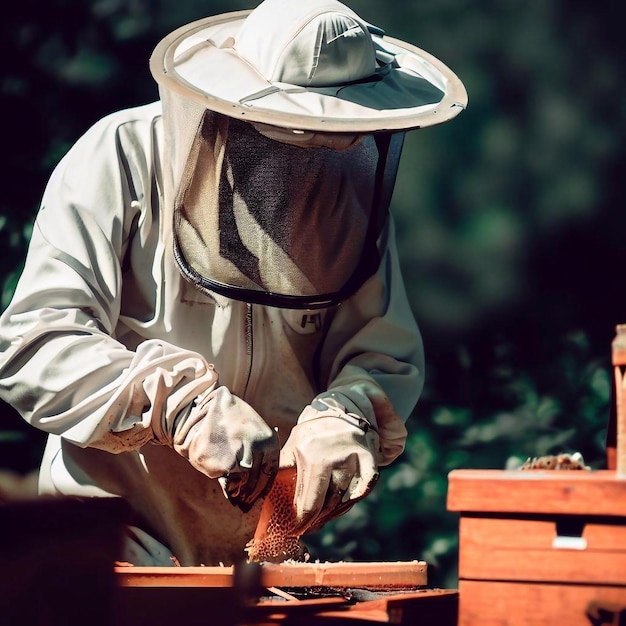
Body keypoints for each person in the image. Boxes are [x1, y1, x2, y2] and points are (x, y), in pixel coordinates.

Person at [0, 0, 466, 565]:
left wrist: (349, 413)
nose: (312, 167)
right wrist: (182, 407)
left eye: (337, 145)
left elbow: (382, 350)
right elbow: (35, 344)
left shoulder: (352, 198)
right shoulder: (121, 154)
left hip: (258, 559)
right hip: (109, 535)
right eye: (292, 142)